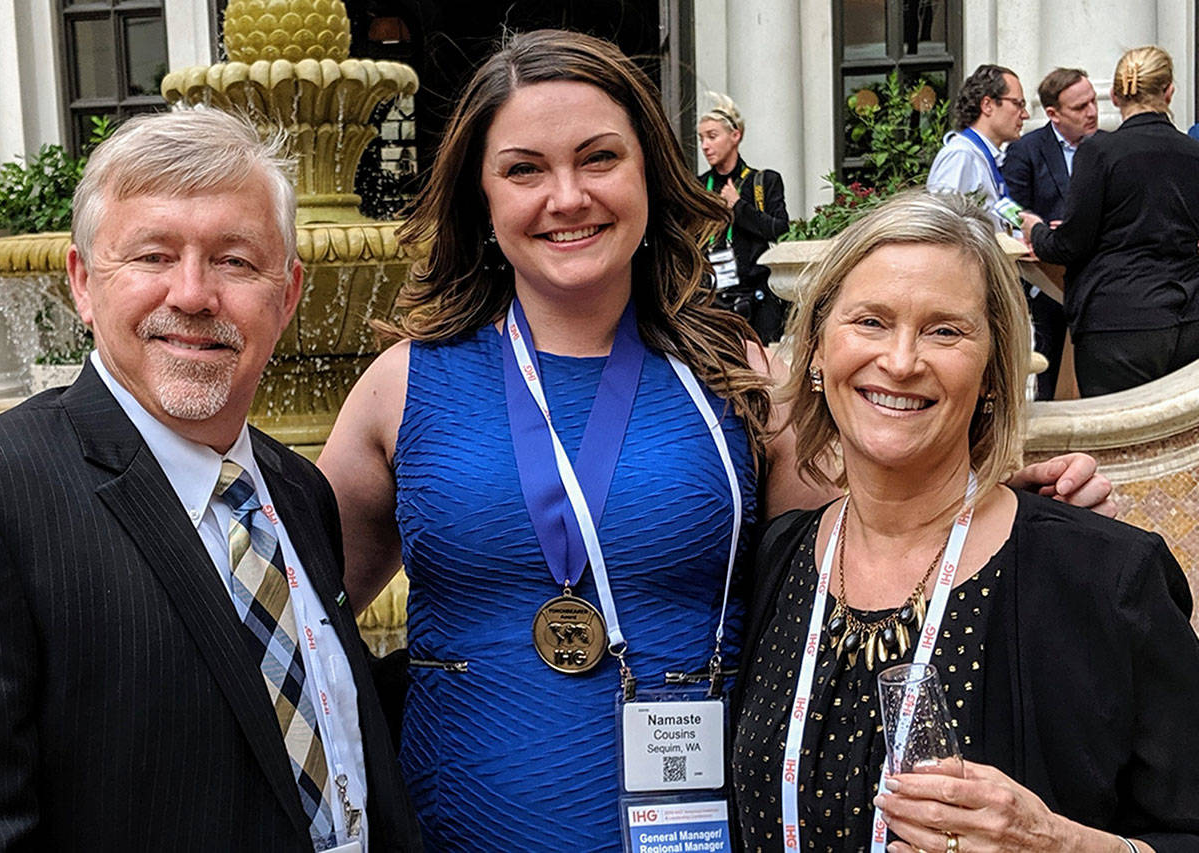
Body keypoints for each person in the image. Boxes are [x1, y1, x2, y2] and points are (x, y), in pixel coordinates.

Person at [318, 30, 1111, 851]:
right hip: (455, 830)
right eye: (524, 169)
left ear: (652, 177)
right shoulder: (405, 384)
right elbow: (298, 613)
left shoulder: (734, 371)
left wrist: (1013, 504)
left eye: (599, 159)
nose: (567, 196)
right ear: (481, 197)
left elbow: (868, 548)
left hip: (696, 830)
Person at [0, 110, 421, 851]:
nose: (192, 294)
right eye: (153, 256)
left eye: (235, 262)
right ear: (83, 284)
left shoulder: (298, 490)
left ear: (287, 297)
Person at [732, 191, 1199, 853]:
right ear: (814, 349)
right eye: (869, 321)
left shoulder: (1102, 578)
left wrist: (1062, 844)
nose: (900, 360)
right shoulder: (779, 560)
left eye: (944, 330)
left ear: (989, 372)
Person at [1022, 46, 1199, 398]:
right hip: (1189, 313)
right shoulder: (1193, 153)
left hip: (1117, 318)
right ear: (1169, 92)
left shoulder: (1100, 151)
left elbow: (1070, 244)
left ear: (1116, 96)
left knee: (1116, 442)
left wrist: (1035, 230)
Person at [1001, 68, 1100, 399]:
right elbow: (1012, 210)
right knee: (1052, 370)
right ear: (1053, 114)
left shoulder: (1107, 148)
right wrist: (1040, 228)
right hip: (1048, 282)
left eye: (1094, 101)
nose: (1092, 112)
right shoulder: (1027, 150)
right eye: (1080, 107)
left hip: (1100, 280)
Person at [697, 93, 791, 342]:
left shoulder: (764, 181)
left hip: (757, 299)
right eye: (701, 138)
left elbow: (779, 229)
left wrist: (738, 206)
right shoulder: (697, 187)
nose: (705, 145)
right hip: (711, 300)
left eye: (712, 136)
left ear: (735, 135)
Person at [927, 64, 1029, 231]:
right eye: (1018, 104)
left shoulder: (984, 155)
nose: (1025, 114)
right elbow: (941, 226)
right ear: (987, 105)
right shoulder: (960, 155)